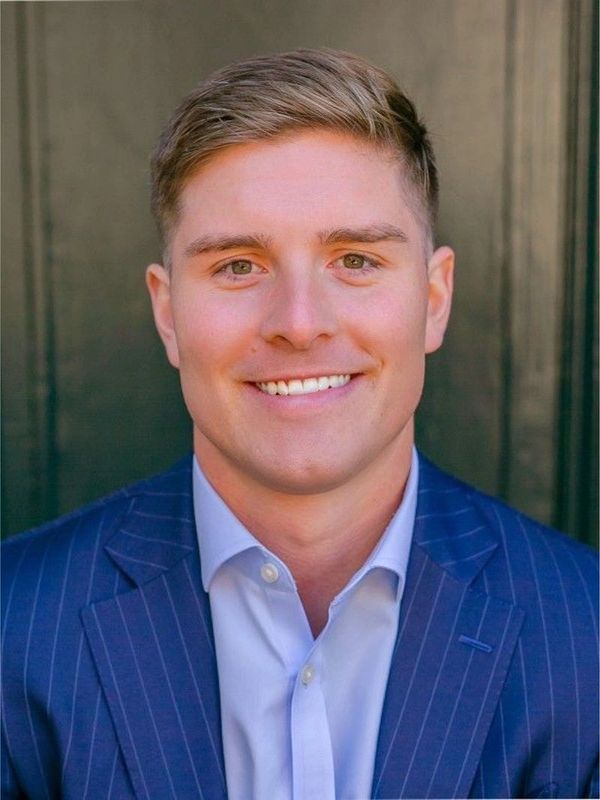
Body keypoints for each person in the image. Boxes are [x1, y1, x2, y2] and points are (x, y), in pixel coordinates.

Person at [2, 48, 597, 800]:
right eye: (238, 266)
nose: (299, 322)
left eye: (355, 259)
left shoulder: (587, 633)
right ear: (168, 312)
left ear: (434, 299)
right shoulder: (13, 626)